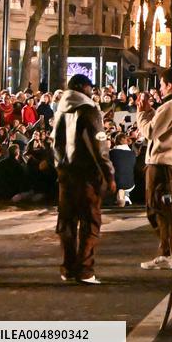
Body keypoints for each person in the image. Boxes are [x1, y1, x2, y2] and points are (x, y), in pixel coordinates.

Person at [52, 74, 116, 284]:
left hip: (65, 174)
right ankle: (85, 270)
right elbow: (100, 146)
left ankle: (68, 268)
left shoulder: (61, 109)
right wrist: (109, 174)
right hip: (87, 174)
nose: (92, 91)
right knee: (90, 222)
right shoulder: (88, 109)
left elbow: (55, 144)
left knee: (67, 222)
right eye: (90, 88)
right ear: (82, 87)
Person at [137, 68, 172, 270]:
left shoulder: (171, 106)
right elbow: (163, 126)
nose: (159, 89)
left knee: (158, 209)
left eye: (161, 85)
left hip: (162, 164)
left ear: (169, 85)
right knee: (167, 210)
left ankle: (170, 253)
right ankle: (169, 251)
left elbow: (151, 131)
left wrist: (142, 113)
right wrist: (151, 112)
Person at [108, 134, 136, 207]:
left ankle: (119, 196)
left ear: (115, 141)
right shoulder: (133, 154)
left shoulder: (110, 153)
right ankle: (125, 196)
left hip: (114, 183)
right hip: (129, 183)